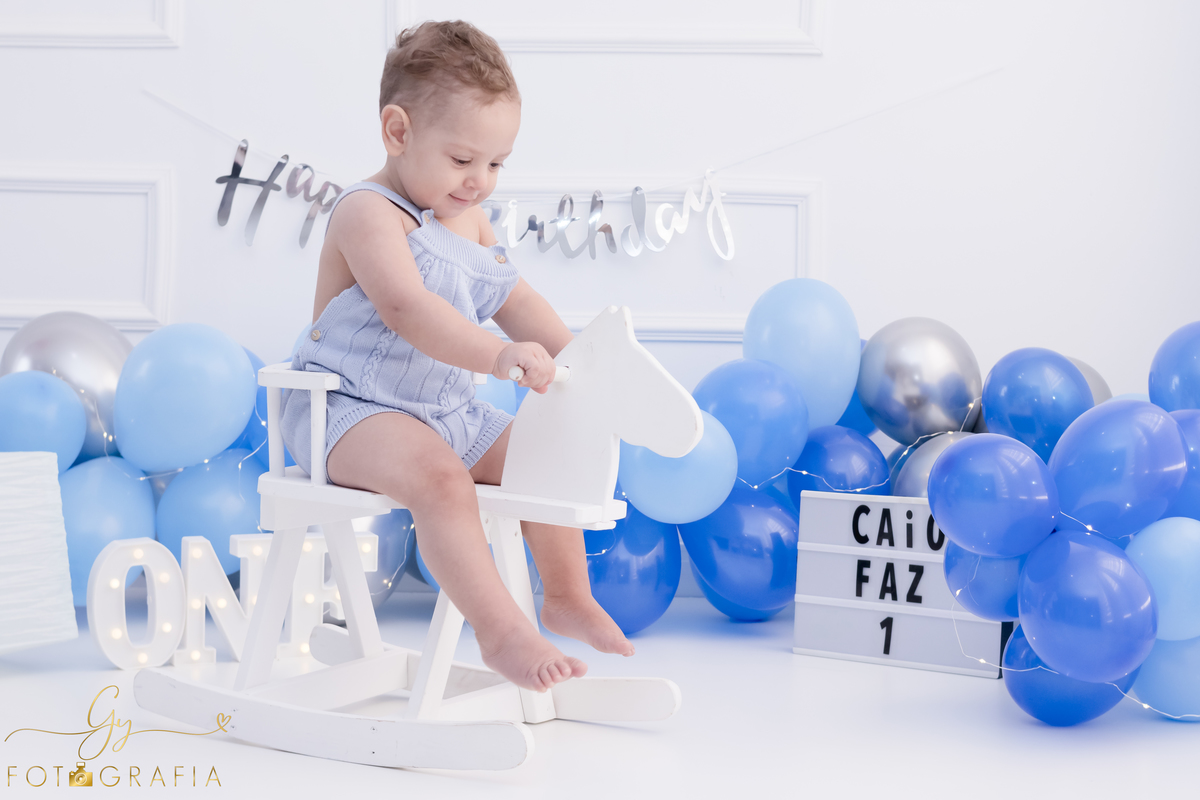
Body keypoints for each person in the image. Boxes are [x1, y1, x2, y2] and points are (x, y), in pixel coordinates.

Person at [279, 20, 633, 692]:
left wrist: (584, 365)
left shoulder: (469, 221)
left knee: (544, 450)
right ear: (398, 131)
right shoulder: (367, 212)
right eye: (463, 160)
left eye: (496, 164)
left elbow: (516, 298)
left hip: (443, 411)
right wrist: (499, 356)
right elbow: (408, 309)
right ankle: (502, 633)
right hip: (348, 411)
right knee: (441, 480)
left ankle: (566, 594)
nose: (479, 182)